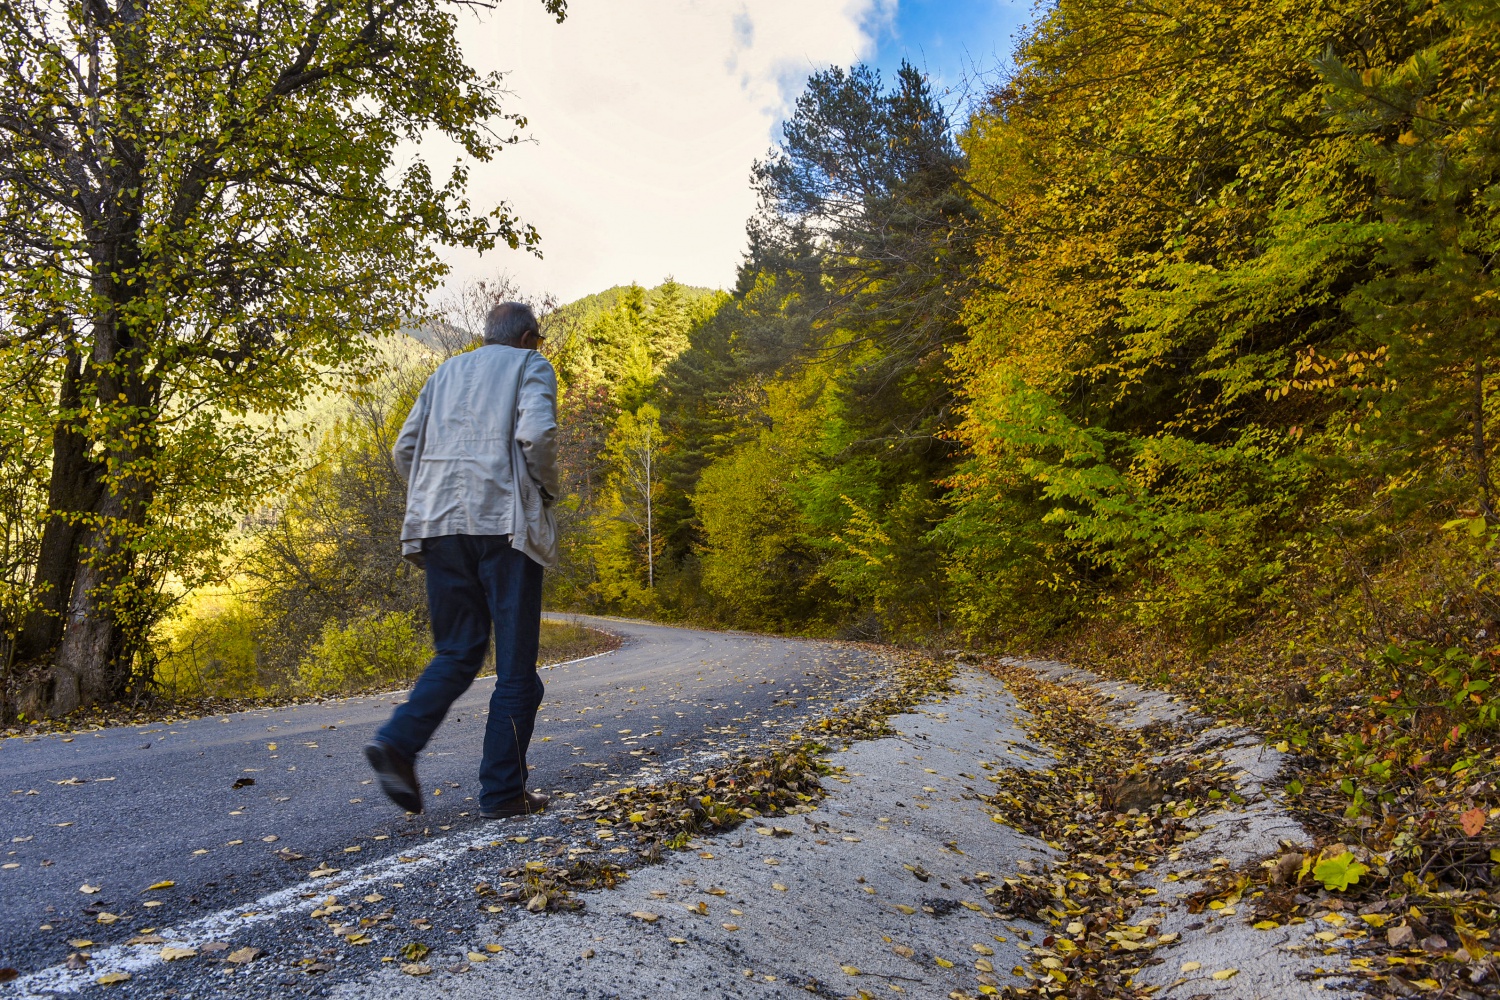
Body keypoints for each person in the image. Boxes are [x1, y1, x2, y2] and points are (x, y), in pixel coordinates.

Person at [364, 301, 560, 820]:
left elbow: (405, 449)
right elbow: (537, 435)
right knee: (517, 669)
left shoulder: (444, 371)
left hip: (438, 525)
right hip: (502, 524)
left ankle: (398, 743)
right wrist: (544, 489)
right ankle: (502, 793)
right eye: (536, 341)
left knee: (458, 650)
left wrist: (434, 493)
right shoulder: (529, 366)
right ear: (526, 337)